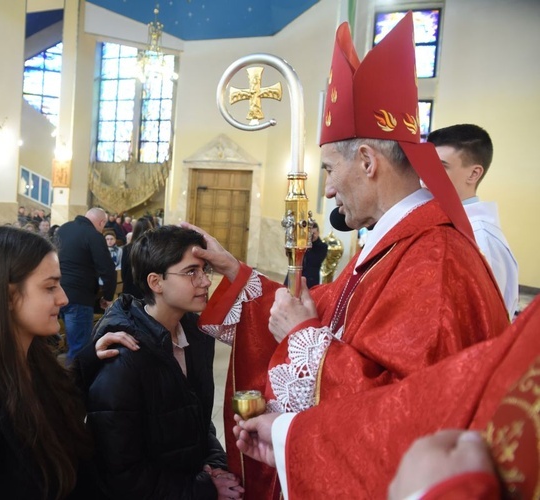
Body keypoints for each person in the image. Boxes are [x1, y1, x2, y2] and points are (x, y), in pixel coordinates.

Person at [190, 14, 508, 499]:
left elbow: (411, 422)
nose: (329, 187)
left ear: (367, 160)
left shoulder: (434, 263)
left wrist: (301, 337)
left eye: (329, 168)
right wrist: (235, 271)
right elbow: (324, 307)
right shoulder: (397, 245)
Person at [233, 294, 540, 498]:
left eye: (332, 187)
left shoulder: (436, 260)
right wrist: (291, 439)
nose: (327, 191)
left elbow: (407, 402)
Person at [0, 226, 138, 499]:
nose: (63, 298)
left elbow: (51, 417)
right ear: (8, 296)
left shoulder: (35, 363)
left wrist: (89, 359)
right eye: (50, 287)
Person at [85, 225, 242, 499]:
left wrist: (215, 466)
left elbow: (198, 421)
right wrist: (203, 489)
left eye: (205, 270)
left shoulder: (197, 334)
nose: (205, 281)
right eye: (191, 272)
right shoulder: (125, 354)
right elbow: (121, 473)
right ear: (156, 282)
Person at [427, 124, 519, 318]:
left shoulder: (480, 240)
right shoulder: (447, 222)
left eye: (441, 167)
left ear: (474, 174)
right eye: (428, 165)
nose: (427, 177)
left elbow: (484, 321)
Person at [55, 208, 117, 360]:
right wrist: (108, 297)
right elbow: (107, 269)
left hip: (56, 292)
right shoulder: (93, 235)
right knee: (79, 348)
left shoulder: (63, 229)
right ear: (102, 222)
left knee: (67, 344)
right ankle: (76, 382)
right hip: (79, 297)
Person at [120, 217, 153, 299]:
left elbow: (123, 271)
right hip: (148, 287)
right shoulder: (154, 248)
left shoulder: (127, 248)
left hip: (130, 287)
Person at [301, 222, 328, 288]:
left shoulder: (323, 246)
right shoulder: (302, 243)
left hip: (311, 279)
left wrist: (309, 245)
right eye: (309, 233)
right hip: (298, 275)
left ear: (318, 232)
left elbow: (315, 261)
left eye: (314, 233)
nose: (312, 236)